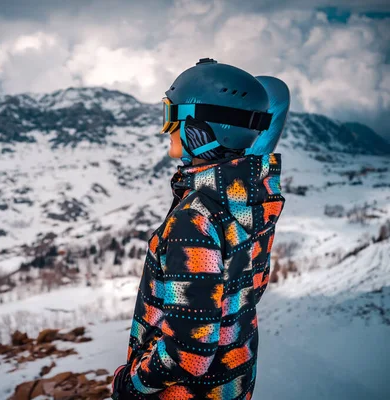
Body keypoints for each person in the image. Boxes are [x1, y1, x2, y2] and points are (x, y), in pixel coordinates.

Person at [111, 58, 288, 399]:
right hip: (231, 382)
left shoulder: (195, 219)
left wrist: (131, 383)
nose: (167, 129)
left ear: (199, 126)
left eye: (170, 117)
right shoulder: (252, 199)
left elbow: (188, 355)